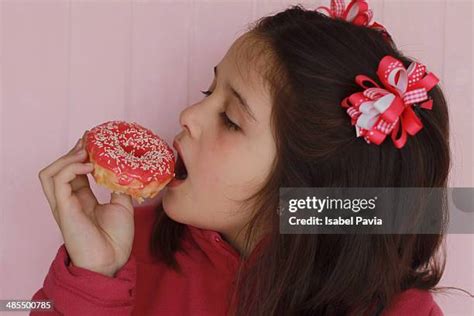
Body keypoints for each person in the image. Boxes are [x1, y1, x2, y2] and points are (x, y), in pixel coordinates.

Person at [31, 3, 449, 315]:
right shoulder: (124, 246)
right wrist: (92, 279)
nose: (187, 117)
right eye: (206, 94)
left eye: (230, 120)